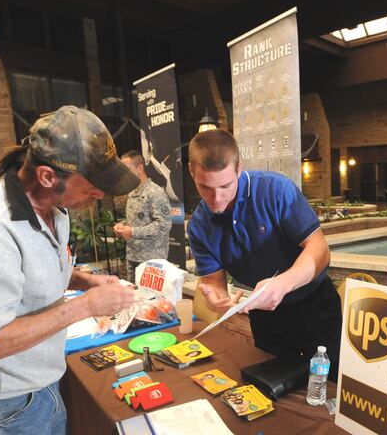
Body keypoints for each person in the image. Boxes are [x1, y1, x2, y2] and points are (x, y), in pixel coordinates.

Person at [0, 105, 140, 435]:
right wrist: (86, 306)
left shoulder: (55, 212)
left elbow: (23, 272)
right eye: (92, 182)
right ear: (48, 176)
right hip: (3, 404)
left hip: (39, 384)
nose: (100, 193)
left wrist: (83, 280)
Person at [187, 129, 342, 378]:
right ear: (191, 172)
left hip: (314, 305)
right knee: (272, 385)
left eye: (225, 185)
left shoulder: (275, 190)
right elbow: (213, 285)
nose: (216, 199)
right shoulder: (198, 226)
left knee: (327, 383)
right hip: (264, 315)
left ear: (239, 169)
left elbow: (320, 250)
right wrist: (215, 299)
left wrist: (283, 283)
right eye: (205, 187)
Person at [113, 150, 172, 281]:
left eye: (127, 169)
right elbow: (135, 219)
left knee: (151, 300)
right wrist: (122, 226)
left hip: (151, 260)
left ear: (140, 168)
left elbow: (163, 226)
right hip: (132, 256)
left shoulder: (155, 192)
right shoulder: (132, 192)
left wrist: (133, 232)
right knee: (133, 298)